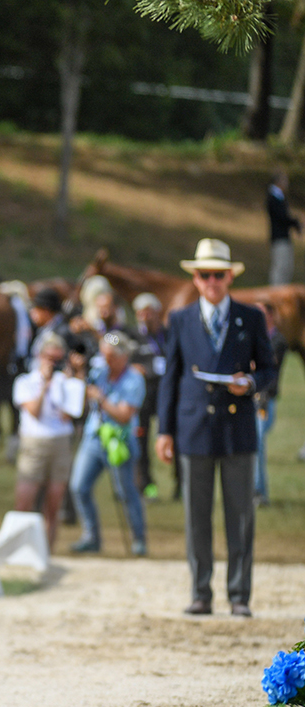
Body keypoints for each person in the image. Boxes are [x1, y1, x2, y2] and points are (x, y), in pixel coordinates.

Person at [156, 239, 277, 618]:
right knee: (197, 515)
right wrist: (165, 430)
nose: (212, 281)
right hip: (194, 428)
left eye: (218, 275)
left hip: (237, 427)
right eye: (205, 275)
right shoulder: (180, 319)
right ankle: (200, 591)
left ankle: (239, 594)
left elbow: (269, 368)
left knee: (240, 515)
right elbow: (170, 378)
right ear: (195, 277)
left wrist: (252, 385)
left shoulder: (251, 317)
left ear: (229, 277)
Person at [69, 331, 148, 556]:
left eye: (112, 356)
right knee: (79, 486)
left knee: (126, 492)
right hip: (94, 437)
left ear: (124, 356)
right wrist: (79, 370)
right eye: (104, 355)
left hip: (120, 441)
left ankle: (139, 540)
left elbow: (124, 415)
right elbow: (78, 395)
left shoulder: (134, 379)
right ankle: (91, 537)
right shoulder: (99, 371)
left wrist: (101, 399)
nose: (107, 360)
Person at [12, 333, 84, 552]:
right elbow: (33, 411)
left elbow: (68, 414)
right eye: (49, 358)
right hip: (34, 442)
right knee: (25, 500)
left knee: (54, 503)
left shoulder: (67, 383)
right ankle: (17, 548)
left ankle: (46, 550)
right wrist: (44, 383)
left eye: (57, 359)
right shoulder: (25, 381)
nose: (54, 364)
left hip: (60, 441)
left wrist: (73, 377)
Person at [130, 292, 169, 498]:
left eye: (148, 312)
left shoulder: (168, 333)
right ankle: (144, 485)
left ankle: (181, 486)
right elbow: (111, 338)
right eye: (139, 313)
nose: (144, 316)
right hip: (143, 395)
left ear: (157, 312)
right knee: (141, 441)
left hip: (166, 393)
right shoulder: (132, 334)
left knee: (172, 437)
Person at [252, 301, 288, 505]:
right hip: (250, 399)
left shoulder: (277, 340)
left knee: (257, 441)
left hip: (265, 401)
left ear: (270, 316)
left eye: (261, 313)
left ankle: (259, 492)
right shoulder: (252, 338)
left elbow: (266, 368)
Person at [266, 171, 299, 286]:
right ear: (278, 181)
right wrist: (295, 222)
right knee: (280, 268)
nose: (287, 183)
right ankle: (276, 297)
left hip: (283, 237)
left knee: (286, 268)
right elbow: (281, 217)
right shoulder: (274, 197)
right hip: (279, 237)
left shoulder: (279, 197)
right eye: (285, 180)